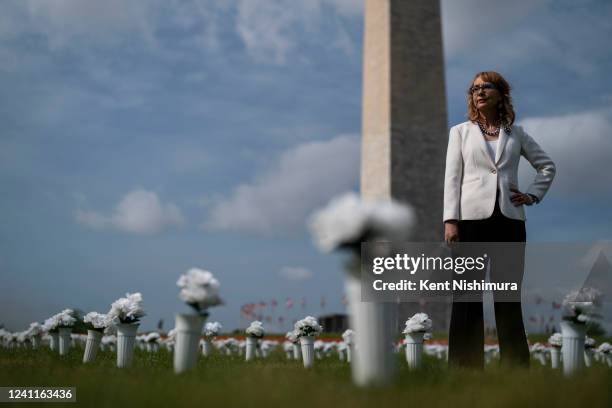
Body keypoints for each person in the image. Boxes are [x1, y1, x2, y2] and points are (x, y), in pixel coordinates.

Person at [443, 71, 556, 368]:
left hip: (510, 222)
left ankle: (516, 369)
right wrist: (450, 220)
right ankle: (465, 370)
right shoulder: (460, 132)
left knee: (507, 297)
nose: (479, 92)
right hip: (470, 222)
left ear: (501, 94)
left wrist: (532, 195)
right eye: (474, 88)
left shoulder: (517, 134)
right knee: (466, 297)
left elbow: (547, 167)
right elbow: (452, 179)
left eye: (486, 87)